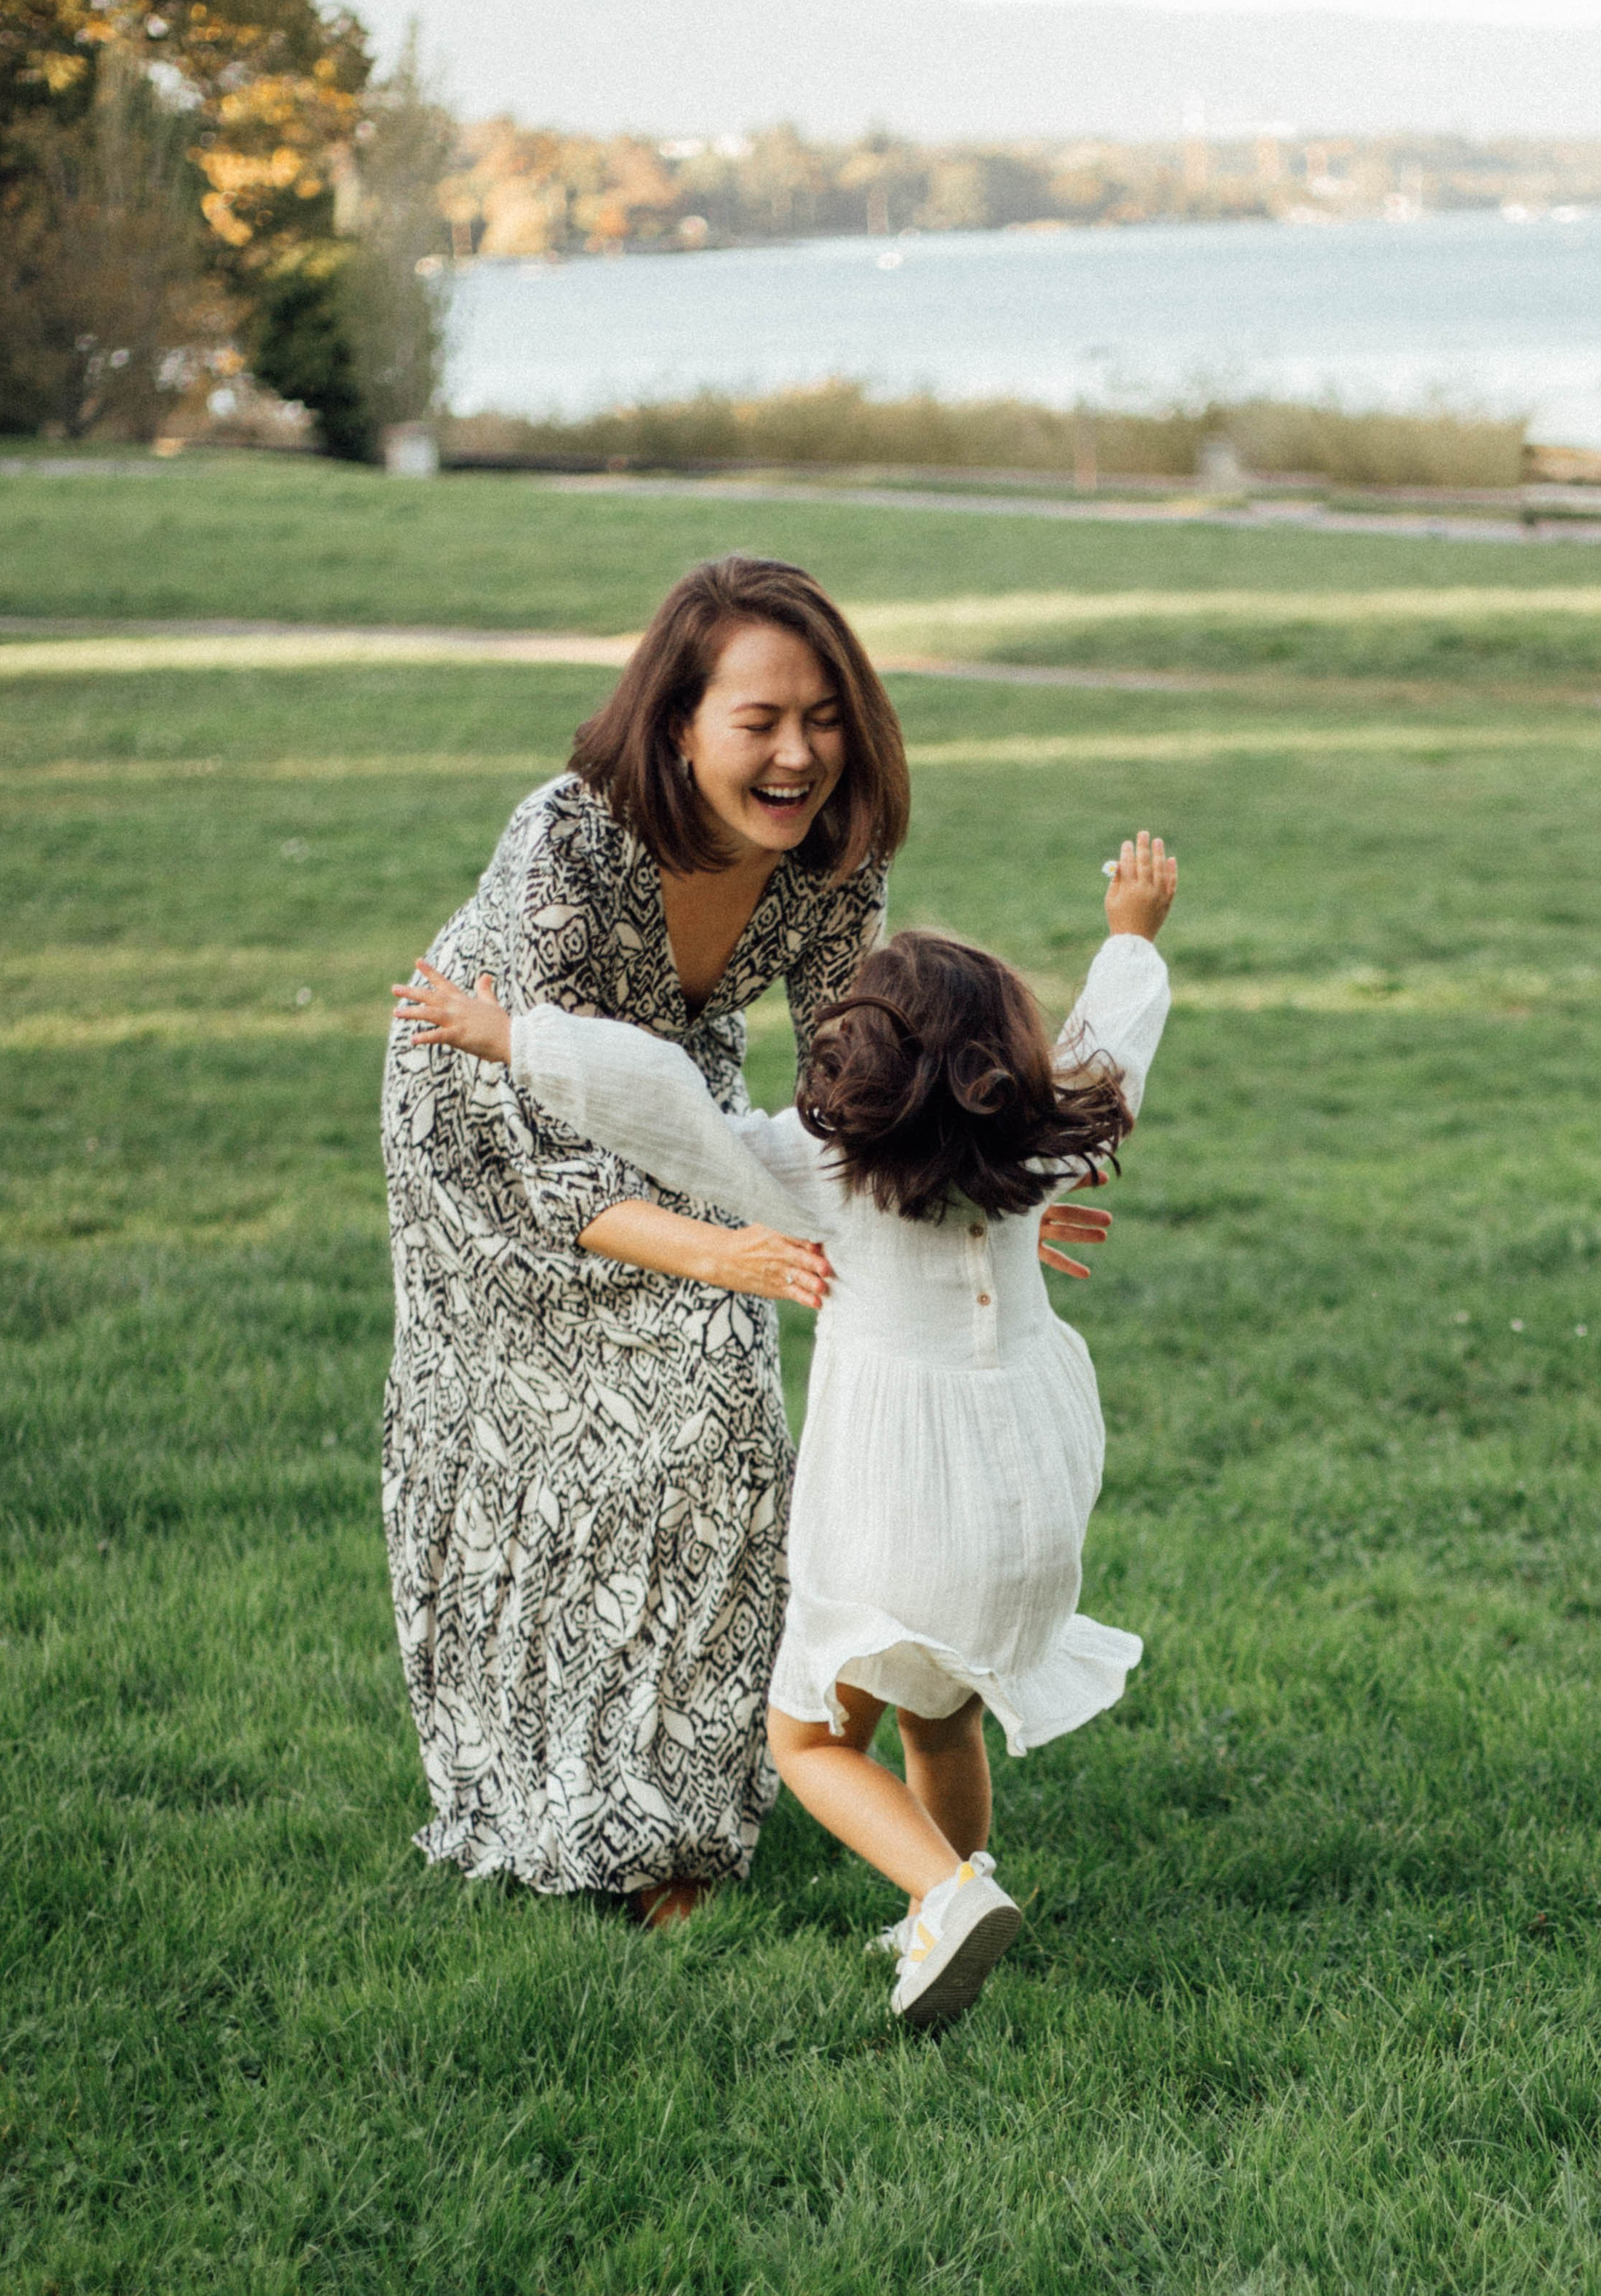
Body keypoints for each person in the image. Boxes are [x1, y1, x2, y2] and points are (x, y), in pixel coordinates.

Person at [379, 555, 1115, 1925]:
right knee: (536, 1468)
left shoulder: (839, 850)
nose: (799, 755)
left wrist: (974, 1194)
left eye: (827, 716)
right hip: (489, 1126)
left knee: (717, 1456)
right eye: (760, 720)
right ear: (676, 725)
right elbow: (543, 1136)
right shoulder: (568, 845)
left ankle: (678, 1838)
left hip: (693, 1123)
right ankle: (543, 1788)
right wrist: (724, 1254)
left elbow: (865, 1086)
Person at [394, 830, 1177, 2025]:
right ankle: (941, 1904)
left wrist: (516, 1037)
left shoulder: (819, 1166)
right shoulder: (1040, 1144)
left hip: (895, 1513)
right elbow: (1111, 1046)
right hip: (1026, 1508)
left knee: (808, 1740)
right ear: (1005, 1068)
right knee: (941, 1710)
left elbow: (665, 1108)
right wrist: (1130, 932)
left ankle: (946, 1889)